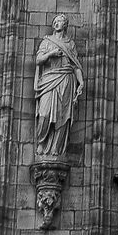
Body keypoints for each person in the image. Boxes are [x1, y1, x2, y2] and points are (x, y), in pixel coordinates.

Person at [34, 16, 84, 163]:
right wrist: (51, 54)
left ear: (66, 24)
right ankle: (42, 144)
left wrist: (81, 82)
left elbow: (76, 66)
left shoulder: (70, 44)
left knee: (63, 116)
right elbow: (38, 60)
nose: (56, 23)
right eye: (55, 21)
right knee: (44, 114)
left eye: (60, 21)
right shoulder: (47, 41)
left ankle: (56, 148)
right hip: (49, 80)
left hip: (66, 80)